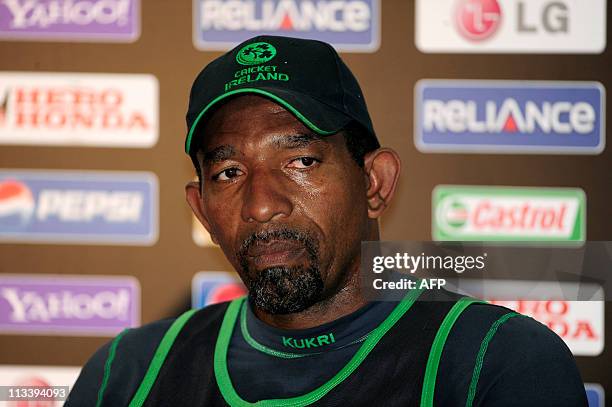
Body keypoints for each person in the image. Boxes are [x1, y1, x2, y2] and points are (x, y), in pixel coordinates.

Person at [66, 35, 587, 407]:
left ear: (375, 183)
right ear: (201, 208)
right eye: (228, 172)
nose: (262, 203)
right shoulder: (127, 374)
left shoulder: (496, 363)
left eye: (301, 162)